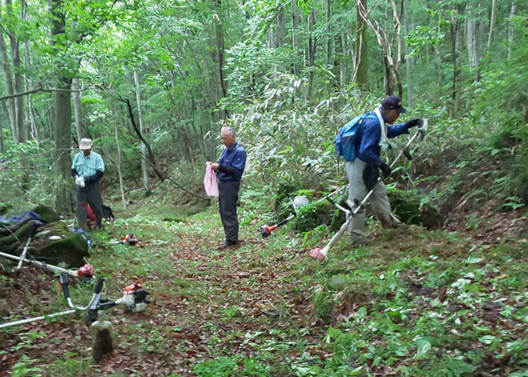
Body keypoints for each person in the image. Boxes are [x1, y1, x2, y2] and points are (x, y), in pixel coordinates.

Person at [347, 96, 421, 245]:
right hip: (359, 164)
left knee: (379, 193)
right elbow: (365, 150)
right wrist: (382, 165)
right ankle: (356, 238)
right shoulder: (373, 123)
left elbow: (389, 131)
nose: (399, 115)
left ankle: (391, 224)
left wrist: (408, 125)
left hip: (369, 164)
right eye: (398, 112)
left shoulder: (379, 121)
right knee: (357, 201)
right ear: (389, 111)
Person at [206, 127, 247, 250]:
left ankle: (232, 240)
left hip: (231, 184)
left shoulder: (239, 151)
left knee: (229, 211)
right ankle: (229, 237)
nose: (223, 141)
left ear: (232, 137)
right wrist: (212, 165)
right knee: (223, 211)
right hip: (223, 183)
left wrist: (220, 167)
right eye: (222, 138)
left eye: (225, 138)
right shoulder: (226, 151)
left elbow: (236, 171)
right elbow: (221, 164)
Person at [71, 138, 105, 231]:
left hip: (92, 184)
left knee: (97, 205)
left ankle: (98, 225)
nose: (85, 151)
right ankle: (82, 227)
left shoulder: (97, 157)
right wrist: (76, 177)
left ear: (91, 147)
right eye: (83, 149)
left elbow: (100, 172)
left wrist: (88, 179)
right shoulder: (77, 157)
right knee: (80, 207)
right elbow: (73, 170)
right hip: (80, 185)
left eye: (87, 149)